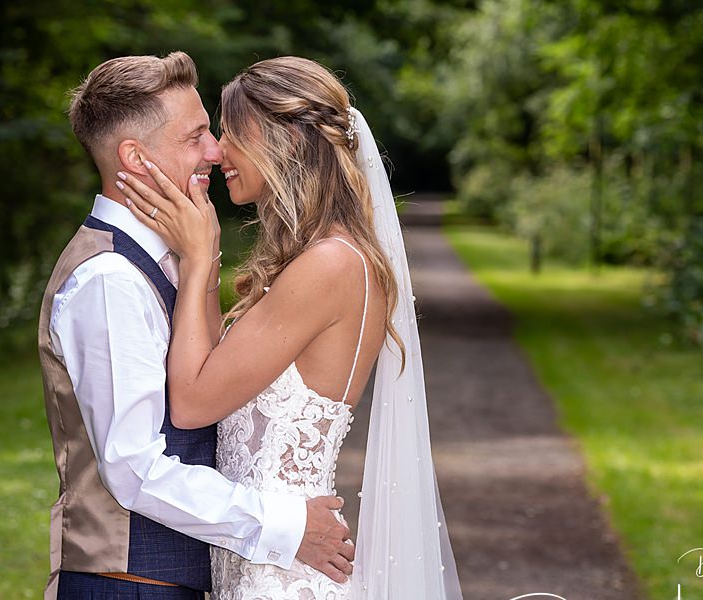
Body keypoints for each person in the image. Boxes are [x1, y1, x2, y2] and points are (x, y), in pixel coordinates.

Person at [118, 56, 462, 600]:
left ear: (281, 139)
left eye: (229, 132)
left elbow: (189, 401)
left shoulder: (331, 264)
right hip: (257, 557)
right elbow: (207, 366)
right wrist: (202, 259)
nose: (216, 151)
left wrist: (201, 260)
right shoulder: (318, 257)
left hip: (278, 575)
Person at [37, 52, 353, 600]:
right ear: (135, 158)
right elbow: (134, 468)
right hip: (128, 585)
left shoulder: (163, 262)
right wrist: (282, 527)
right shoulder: (110, 278)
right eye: (196, 136)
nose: (215, 151)